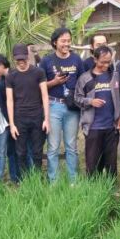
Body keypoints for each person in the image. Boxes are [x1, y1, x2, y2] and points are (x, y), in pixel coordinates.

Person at [39, 27, 83, 183]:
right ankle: (53, 181)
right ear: (55, 42)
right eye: (63, 41)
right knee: (53, 146)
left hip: (72, 108)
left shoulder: (77, 59)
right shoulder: (46, 61)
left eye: (69, 41)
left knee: (71, 145)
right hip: (53, 106)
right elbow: (40, 85)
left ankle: (73, 180)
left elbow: (82, 82)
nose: (66, 44)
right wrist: (54, 82)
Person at [75, 46, 120, 178]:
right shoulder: (85, 78)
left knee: (111, 162)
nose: (106, 65)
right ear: (95, 59)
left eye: (108, 62)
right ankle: (93, 189)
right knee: (92, 163)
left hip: (111, 127)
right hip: (93, 127)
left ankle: (111, 188)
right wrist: (90, 101)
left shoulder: (114, 76)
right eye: (102, 62)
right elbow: (76, 99)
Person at [5, 43, 50, 181]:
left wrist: (46, 119)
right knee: (21, 152)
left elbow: (44, 95)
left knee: (37, 151)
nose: (21, 62)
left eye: (23, 59)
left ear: (28, 57)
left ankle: (37, 179)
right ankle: (24, 181)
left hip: (37, 116)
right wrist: (12, 124)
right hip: (19, 118)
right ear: (14, 59)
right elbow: (10, 100)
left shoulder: (38, 72)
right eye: (18, 60)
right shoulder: (10, 76)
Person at [0, 54, 21, 181]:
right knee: (11, 150)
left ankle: (28, 176)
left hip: (21, 118)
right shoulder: (0, 82)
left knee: (24, 149)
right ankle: (15, 178)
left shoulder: (16, 76)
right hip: (8, 121)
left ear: (2, 65)